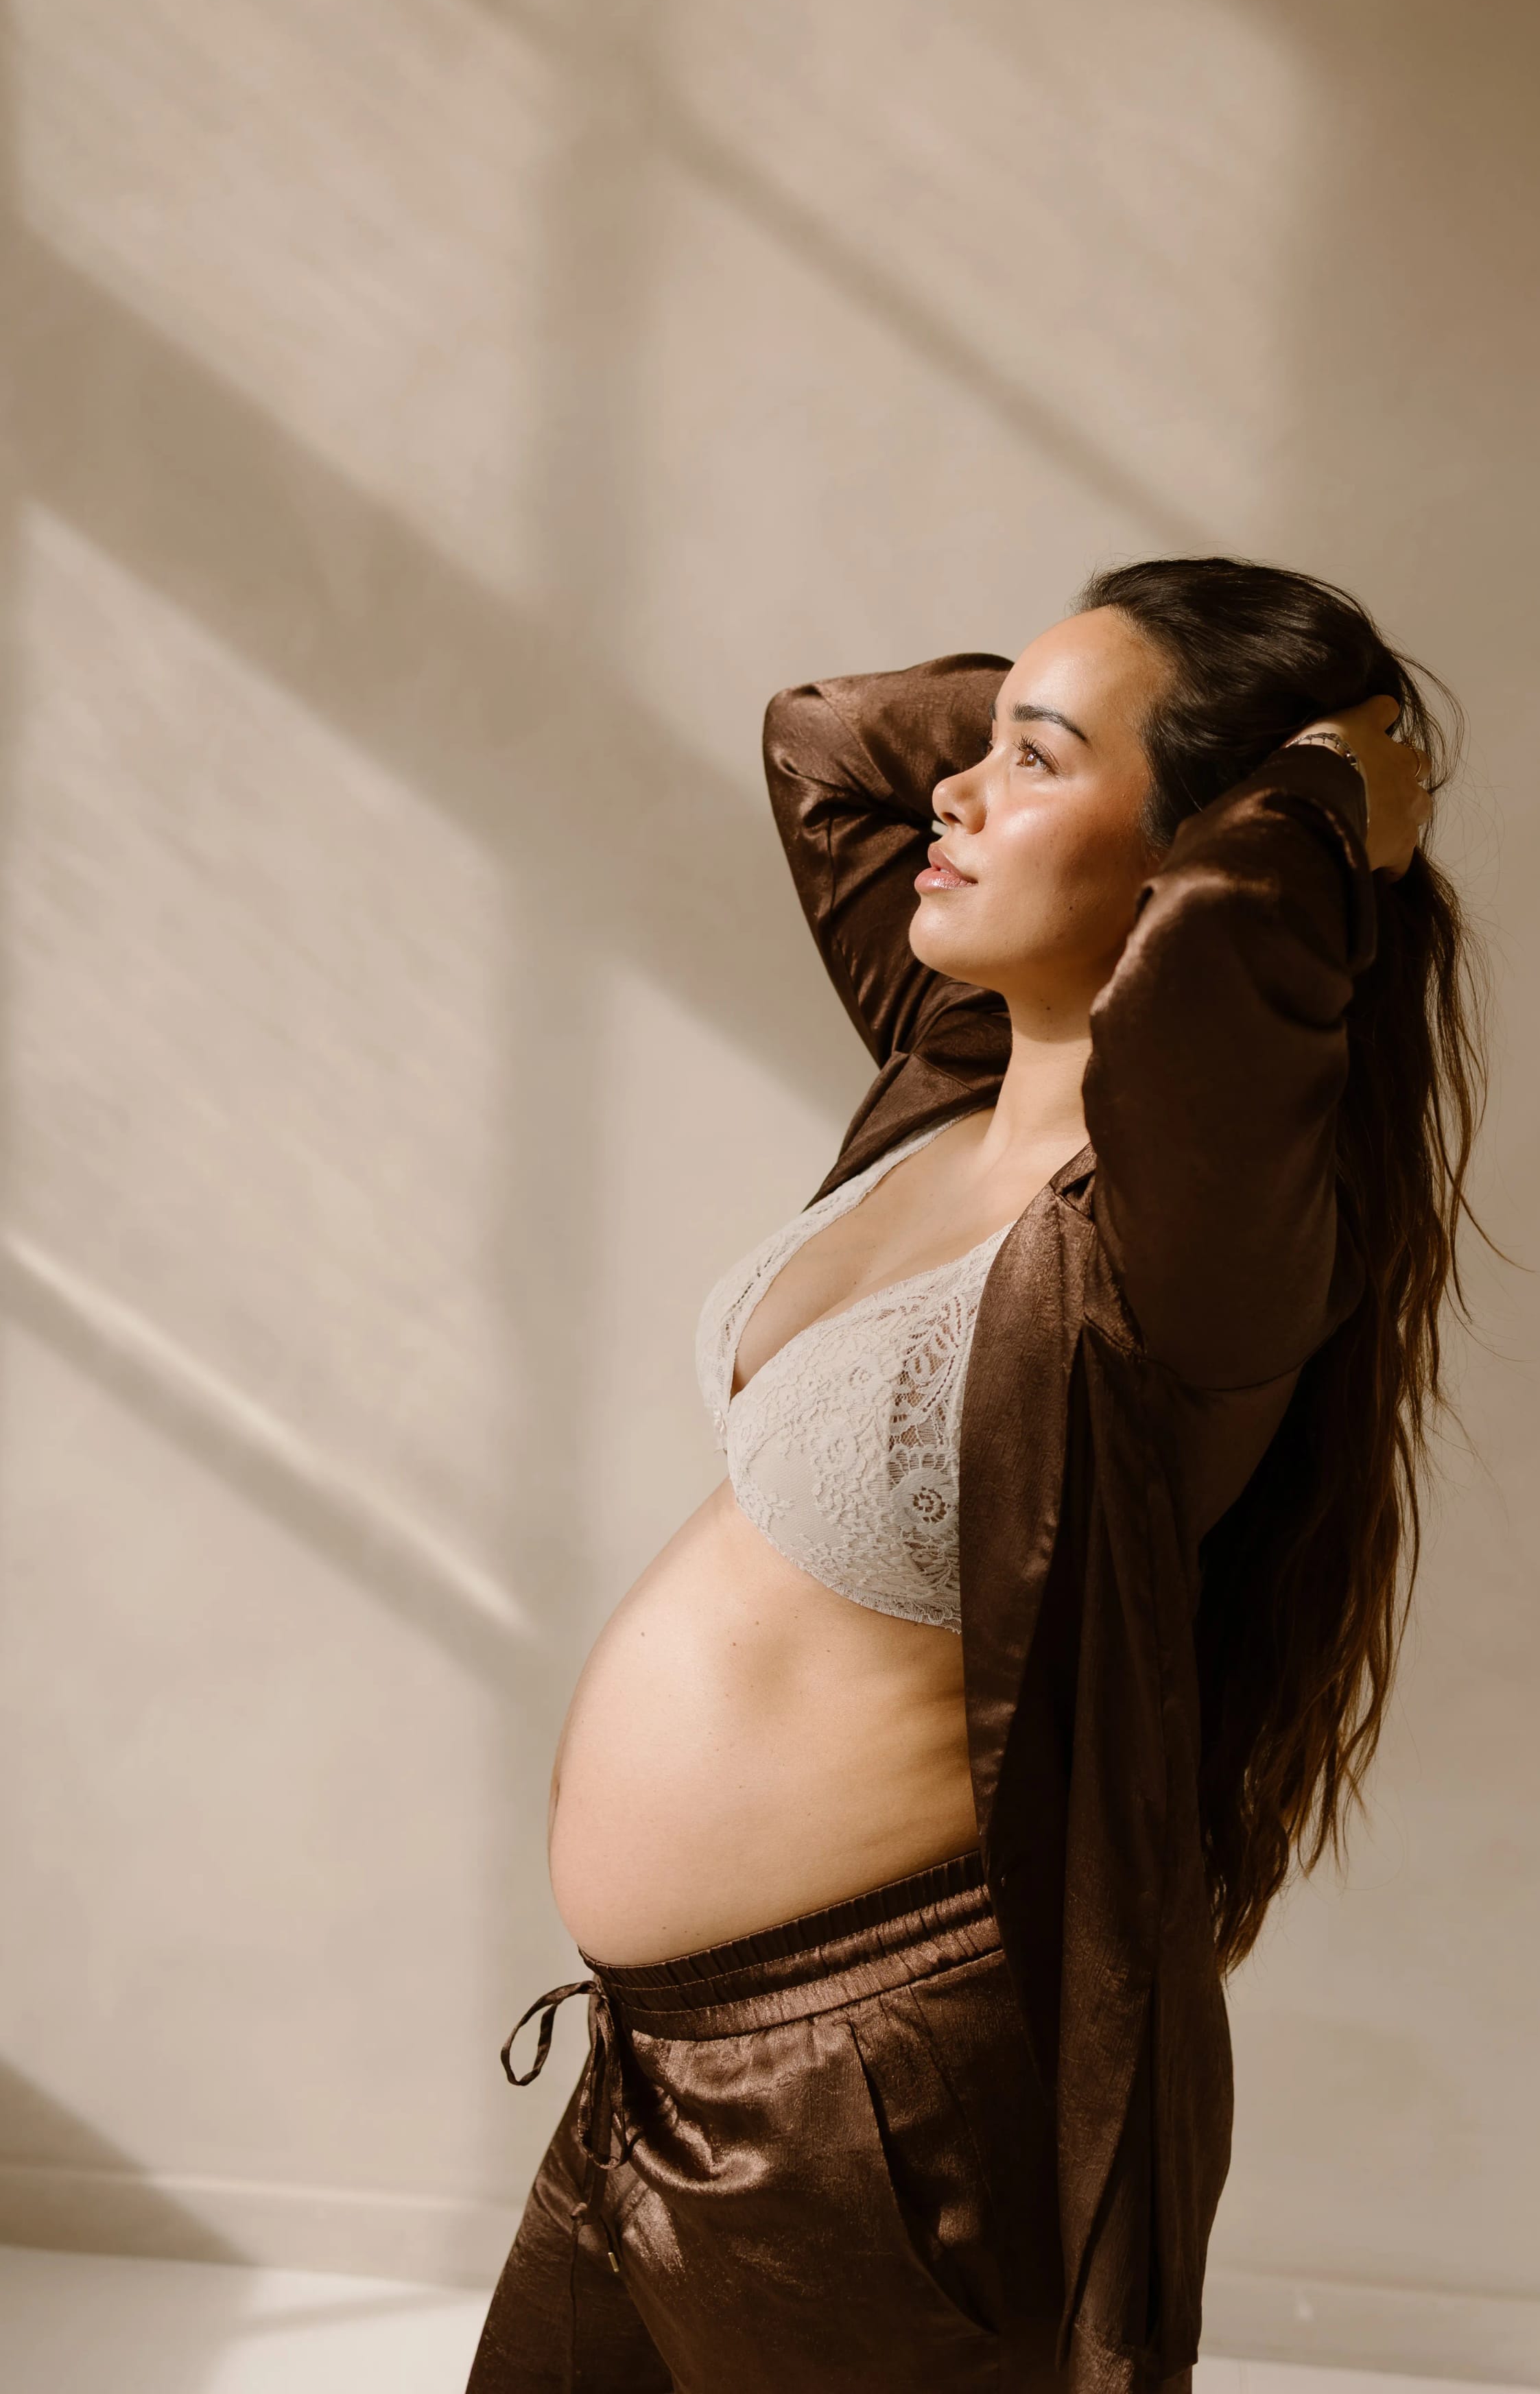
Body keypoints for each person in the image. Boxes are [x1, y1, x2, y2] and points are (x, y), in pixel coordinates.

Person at [466, 557, 1488, 2393]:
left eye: (1031, 758)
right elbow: (826, 751)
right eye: (992, 741)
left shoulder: (1193, 1241)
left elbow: (1222, 964)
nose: (956, 792)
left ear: (1196, 856)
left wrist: (1338, 791)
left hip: (871, 2114)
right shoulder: (949, 1082)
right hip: (651, 2070)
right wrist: (1062, 727)